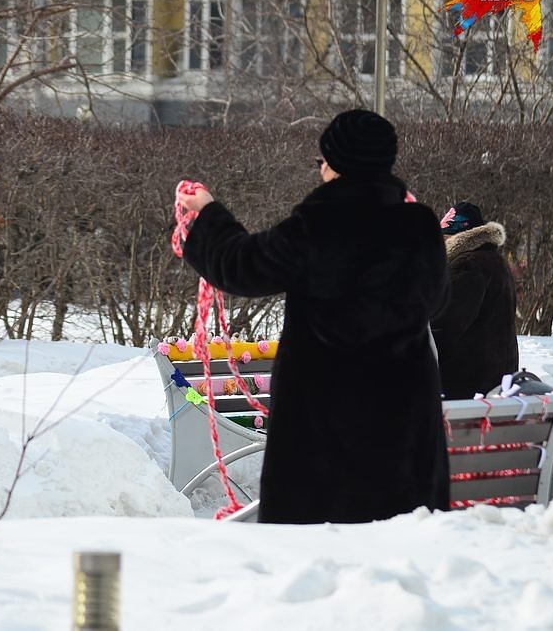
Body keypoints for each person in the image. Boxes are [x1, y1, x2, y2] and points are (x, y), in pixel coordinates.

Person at [176, 109, 450, 524]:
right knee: (400, 547)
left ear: (336, 164)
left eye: (321, 160)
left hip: (325, 423)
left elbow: (241, 266)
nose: (319, 169)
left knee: (317, 550)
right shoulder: (420, 226)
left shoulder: (319, 225)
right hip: (404, 418)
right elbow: (438, 300)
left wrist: (207, 213)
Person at [431, 201, 518, 400]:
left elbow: (444, 325)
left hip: (465, 385)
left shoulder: (468, 265)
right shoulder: (495, 262)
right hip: (494, 381)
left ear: (457, 237)